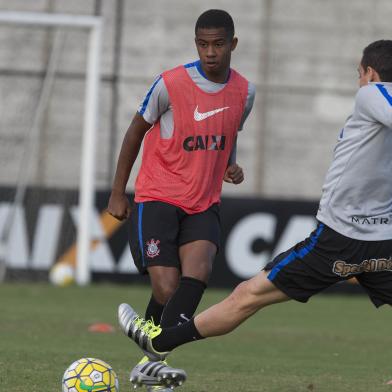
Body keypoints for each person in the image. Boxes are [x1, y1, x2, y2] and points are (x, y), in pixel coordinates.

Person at [118, 39, 392, 369]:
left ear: (372, 74)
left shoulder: (372, 94)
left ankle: (157, 344)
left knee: (247, 297)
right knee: (244, 295)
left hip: (339, 239)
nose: (359, 82)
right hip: (383, 243)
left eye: (359, 74)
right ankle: (158, 346)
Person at [108, 9, 255, 390]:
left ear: (233, 45)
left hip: (204, 201)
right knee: (166, 289)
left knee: (199, 274)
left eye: (218, 44)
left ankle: (150, 358)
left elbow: (229, 131)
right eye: (203, 44)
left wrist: (231, 164)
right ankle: (151, 354)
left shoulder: (245, 91)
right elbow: (134, 132)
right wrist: (117, 191)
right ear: (196, 45)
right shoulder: (170, 83)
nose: (210, 52)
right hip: (158, 195)